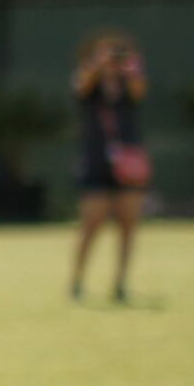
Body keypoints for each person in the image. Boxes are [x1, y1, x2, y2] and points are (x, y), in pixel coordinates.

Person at [66, 33, 148, 302]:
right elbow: (80, 85)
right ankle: (77, 280)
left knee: (128, 225)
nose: (113, 60)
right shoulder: (90, 87)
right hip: (96, 163)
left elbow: (140, 90)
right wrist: (98, 66)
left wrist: (132, 68)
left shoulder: (127, 86)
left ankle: (120, 283)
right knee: (91, 224)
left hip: (127, 164)